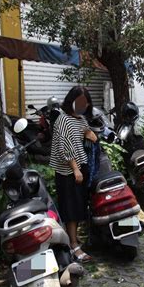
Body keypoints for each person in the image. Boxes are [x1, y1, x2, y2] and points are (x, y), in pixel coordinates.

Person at [50, 86, 97, 263]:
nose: (83, 105)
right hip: (68, 171)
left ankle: (73, 241)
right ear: (71, 101)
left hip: (80, 167)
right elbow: (65, 148)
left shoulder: (80, 119)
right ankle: (74, 245)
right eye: (80, 101)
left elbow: (86, 131)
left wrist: (90, 134)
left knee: (78, 208)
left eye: (86, 102)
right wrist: (75, 169)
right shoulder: (63, 120)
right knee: (71, 210)